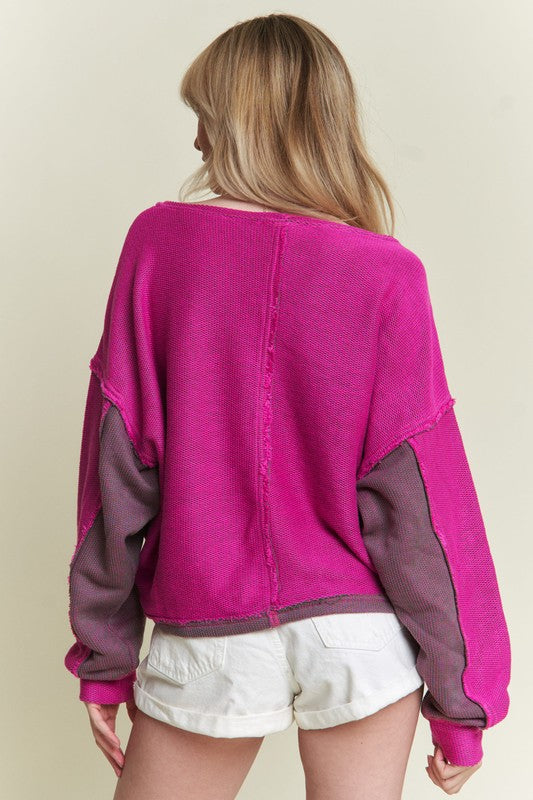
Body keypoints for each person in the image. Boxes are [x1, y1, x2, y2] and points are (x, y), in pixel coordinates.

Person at [64, 12, 511, 800]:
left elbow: (118, 464)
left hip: (209, 624)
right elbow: (424, 502)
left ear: (242, 123)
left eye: (206, 115)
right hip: (359, 638)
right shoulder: (386, 273)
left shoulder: (158, 245)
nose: (196, 140)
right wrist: (463, 700)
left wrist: (105, 657)